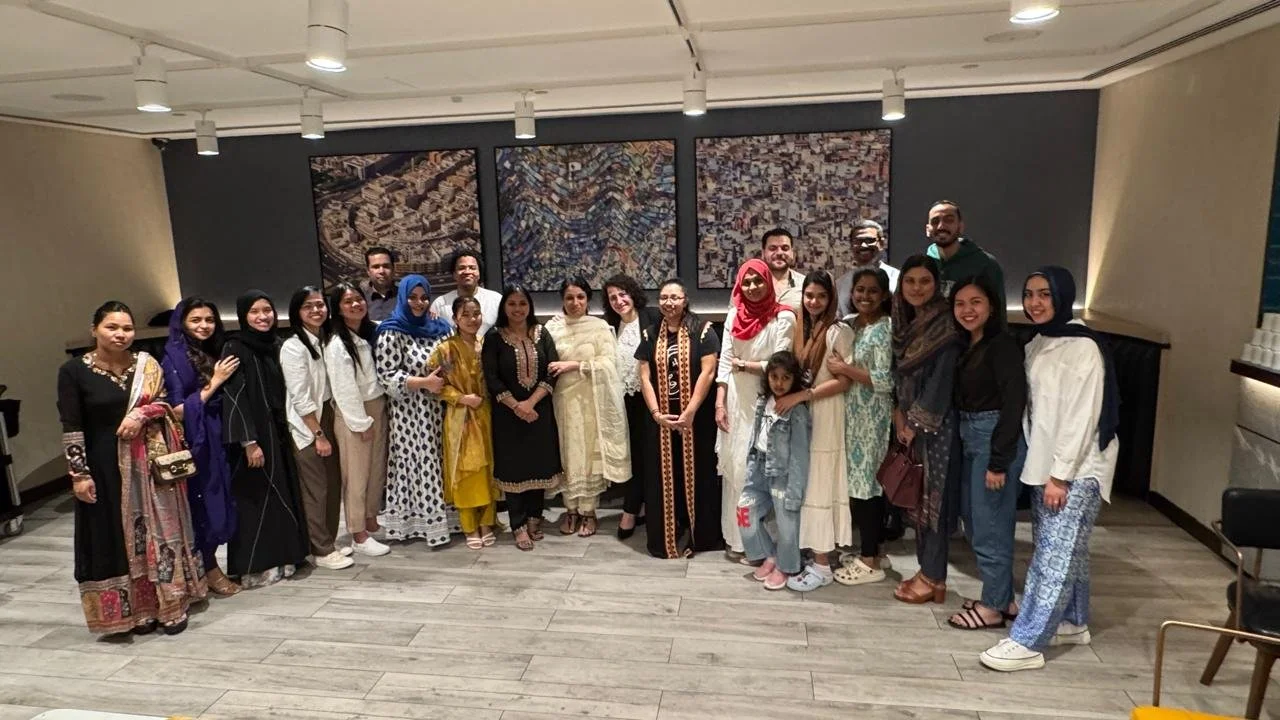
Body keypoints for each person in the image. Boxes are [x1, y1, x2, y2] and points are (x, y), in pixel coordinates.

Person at [980, 267, 1119, 672]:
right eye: (1028, 294)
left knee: (1052, 557)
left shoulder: (1084, 347)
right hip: (1046, 464)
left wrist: (1061, 475)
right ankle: (1074, 621)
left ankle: (1027, 640)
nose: (1035, 302)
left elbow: (1082, 416)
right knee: (1064, 548)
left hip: (1076, 469)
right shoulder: (1039, 342)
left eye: (1044, 294)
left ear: (1062, 296)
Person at [58, 301, 207, 635]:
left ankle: (170, 603)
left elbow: (167, 402)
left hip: (150, 466)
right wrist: (79, 475)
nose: (121, 334)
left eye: (127, 328)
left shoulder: (146, 364)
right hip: (104, 467)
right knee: (116, 536)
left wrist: (141, 413)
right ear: (94, 329)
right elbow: (71, 425)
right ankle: (134, 611)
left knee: (160, 532)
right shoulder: (74, 372)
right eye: (112, 327)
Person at [948, 274, 1027, 631]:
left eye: (975, 302)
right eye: (960, 303)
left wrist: (999, 461)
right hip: (971, 436)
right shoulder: (969, 345)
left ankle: (993, 607)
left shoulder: (1002, 345)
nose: (967, 310)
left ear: (992, 306)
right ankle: (1003, 597)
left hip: (994, 440)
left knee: (990, 526)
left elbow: (1013, 405)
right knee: (977, 521)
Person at [221, 291, 310, 588]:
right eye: (255, 312)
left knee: (283, 495)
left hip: (280, 431)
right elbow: (234, 397)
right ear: (244, 315)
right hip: (256, 437)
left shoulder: (277, 344)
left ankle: (287, 557)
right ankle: (256, 565)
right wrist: (249, 442)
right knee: (257, 499)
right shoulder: (235, 347)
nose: (263, 316)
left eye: (267, 310)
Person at [890, 255, 963, 604]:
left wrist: (915, 424)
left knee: (934, 502)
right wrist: (900, 418)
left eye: (925, 281)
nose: (916, 288)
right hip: (912, 427)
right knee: (918, 501)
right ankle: (927, 571)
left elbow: (940, 383)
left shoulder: (945, 326)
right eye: (910, 281)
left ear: (937, 286)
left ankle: (934, 576)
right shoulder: (905, 324)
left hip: (938, 431)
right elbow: (898, 377)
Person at [716, 258, 797, 558]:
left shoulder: (783, 317)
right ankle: (737, 539)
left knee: (762, 473)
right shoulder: (735, 313)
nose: (752, 287)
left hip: (768, 400)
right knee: (736, 468)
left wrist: (745, 365)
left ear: (768, 282)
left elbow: (781, 365)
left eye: (758, 281)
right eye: (746, 282)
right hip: (736, 399)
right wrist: (719, 400)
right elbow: (725, 359)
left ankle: (765, 543)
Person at [636, 278, 722, 558]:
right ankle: (667, 538)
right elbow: (644, 376)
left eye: (674, 297)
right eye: (663, 297)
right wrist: (656, 413)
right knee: (663, 478)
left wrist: (689, 412)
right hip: (660, 422)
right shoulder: (650, 334)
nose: (669, 303)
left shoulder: (703, 330)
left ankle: (700, 536)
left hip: (696, 419)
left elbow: (708, 373)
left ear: (685, 300)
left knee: (698, 474)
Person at [161, 297, 241, 596]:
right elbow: (177, 409)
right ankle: (209, 570)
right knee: (204, 504)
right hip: (199, 439)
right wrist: (215, 382)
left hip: (222, 434)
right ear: (182, 322)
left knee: (223, 501)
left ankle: (209, 567)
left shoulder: (214, 349)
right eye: (196, 320)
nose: (204, 326)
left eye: (209, 320)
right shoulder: (174, 357)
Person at [781, 271, 854, 592]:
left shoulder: (838, 332)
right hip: (803, 416)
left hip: (825, 414)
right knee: (805, 482)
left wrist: (803, 395)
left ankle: (823, 564)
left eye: (821, 297)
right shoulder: (801, 329)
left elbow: (843, 380)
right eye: (809, 296)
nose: (813, 302)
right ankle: (816, 554)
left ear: (831, 299)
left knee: (820, 485)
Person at [545, 276, 631, 537]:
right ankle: (570, 511)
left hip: (591, 402)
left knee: (587, 455)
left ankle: (588, 512)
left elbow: (609, 364)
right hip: (562, 401)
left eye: (580, 297)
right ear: (562, 300)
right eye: (569, 298)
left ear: (588, 300)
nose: (575, 303)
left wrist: (574, 366)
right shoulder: (552, 327)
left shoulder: (600, 327)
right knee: (567, 454)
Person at [375, 275, 455, 546]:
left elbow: (452, 360)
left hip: (441, 407)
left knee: (442, 458)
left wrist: (446, 377)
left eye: (423, 297)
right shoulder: (391, 330)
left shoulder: (441, 327)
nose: (419, 303)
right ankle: (417, 524)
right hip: (411, 412)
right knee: (419, 462)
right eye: (413, 297)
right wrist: (424, 383)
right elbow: (386, 376)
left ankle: (450, 521)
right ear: (403, 298)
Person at [827, 268, 895, 585]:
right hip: (850, 417)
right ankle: (870, 552)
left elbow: (884, 381)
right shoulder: (852, 324)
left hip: (872, 419)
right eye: (859, 290)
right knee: (856, 487)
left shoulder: (886, 328)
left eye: (872, 291)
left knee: (868, 489)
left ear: (883, 295)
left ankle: (870, 561)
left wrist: (845, 369)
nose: (865, 296)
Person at [483, 286, 564, 551]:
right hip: (507, 416)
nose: (517, 309)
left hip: (539, 412)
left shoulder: (541, 333)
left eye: (522, 304)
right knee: (514, 469)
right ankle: (517, 525)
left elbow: (552, 370)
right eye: (512, 304)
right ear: (504, 308)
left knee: (538, 465)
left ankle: (534, 519)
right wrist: (516, 405)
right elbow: (491, 378)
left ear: (530, 306)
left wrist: (530, 403)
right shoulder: (494, 337)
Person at [281, 286, 351, 570]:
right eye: (308, 306)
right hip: (308, 424)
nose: (316, 310)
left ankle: (329, 542)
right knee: (316, 489)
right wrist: (318, 434)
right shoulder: (293, 346)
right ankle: (321, 550)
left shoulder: (323, 340)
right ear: (297, 312)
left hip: (328, 415)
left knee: (333, 484)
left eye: (320, 305)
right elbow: (300, 398)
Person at [324, 282, 391, 557]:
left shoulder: (367, 331)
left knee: (376, 470)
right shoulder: (338, 343)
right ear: (338, 309)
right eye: (348, 301)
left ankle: (370, 519)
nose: (355, 305)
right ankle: (358, 533)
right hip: (356, 412)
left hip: (377, 406)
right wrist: (360, 422)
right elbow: (344, 389)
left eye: (358, 299)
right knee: (356, 475)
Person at [428, 296, 499, 550]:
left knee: (489, 469)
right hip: (460, 419)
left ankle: (487, 523)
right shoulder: (445, 349)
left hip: (487, 416)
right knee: (465, 472)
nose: (472, 319)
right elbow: (434, 385)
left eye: (476, 313)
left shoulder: (487, 345)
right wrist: (460, 398)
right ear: (455, 319)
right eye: (466, 314)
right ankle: (469, 525)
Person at [739, 351, 812, 591]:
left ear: (794, 380)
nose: (779, 383)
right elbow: (756, 433)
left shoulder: (797, 411)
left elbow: (800, 453)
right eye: (774, 377)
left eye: (785, 378)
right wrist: (751, 460)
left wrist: (795, 488)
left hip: (783, 474)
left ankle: (787, 565)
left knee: (787, 523)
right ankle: (769, 554)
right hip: (758, 467)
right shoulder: (763, 401)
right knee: (744, 512)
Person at [602, 274, 663, 539]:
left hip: (652, 400)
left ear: (633, 293)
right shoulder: (609, 327)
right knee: (633, 458)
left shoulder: (652, 317)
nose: (619, 301)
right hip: (622, 403)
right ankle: (637, 507)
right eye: (612, 297)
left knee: (650, 456)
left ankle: (633, 510)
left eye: (622, 294)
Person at [924, 200, 1006, 307]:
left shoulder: (986, 264)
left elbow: (998, 313)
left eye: (949, 220)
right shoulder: (923, 266)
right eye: (935, 221)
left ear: (960, 227)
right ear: (928, 230)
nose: (941, 226)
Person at [429, 250, 502, 335]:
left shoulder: (496, 300)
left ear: (479, 273)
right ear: (454, 274)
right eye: (461, 268)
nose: (467, 272)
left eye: (472, 268)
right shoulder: (440, 304)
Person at [836, 219, 899, 316]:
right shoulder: (840, 285)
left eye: (870, 240)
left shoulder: (898, 279)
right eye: (858, 241)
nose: (864, 245)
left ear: (881, 243)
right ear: (851, 245)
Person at [759, 228, 807, 314]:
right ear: (763, 253)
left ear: (792, 253)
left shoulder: (805, 284)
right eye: (773, 248)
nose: (779, 253)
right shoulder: (749, 285)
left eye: (785, 248)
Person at [360, 246, 398, 322]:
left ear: (393, 269)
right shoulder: (359, 297)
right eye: (376, 267)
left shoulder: (406, 295)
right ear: (368, 271)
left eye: (386, 266)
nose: (381, 271)